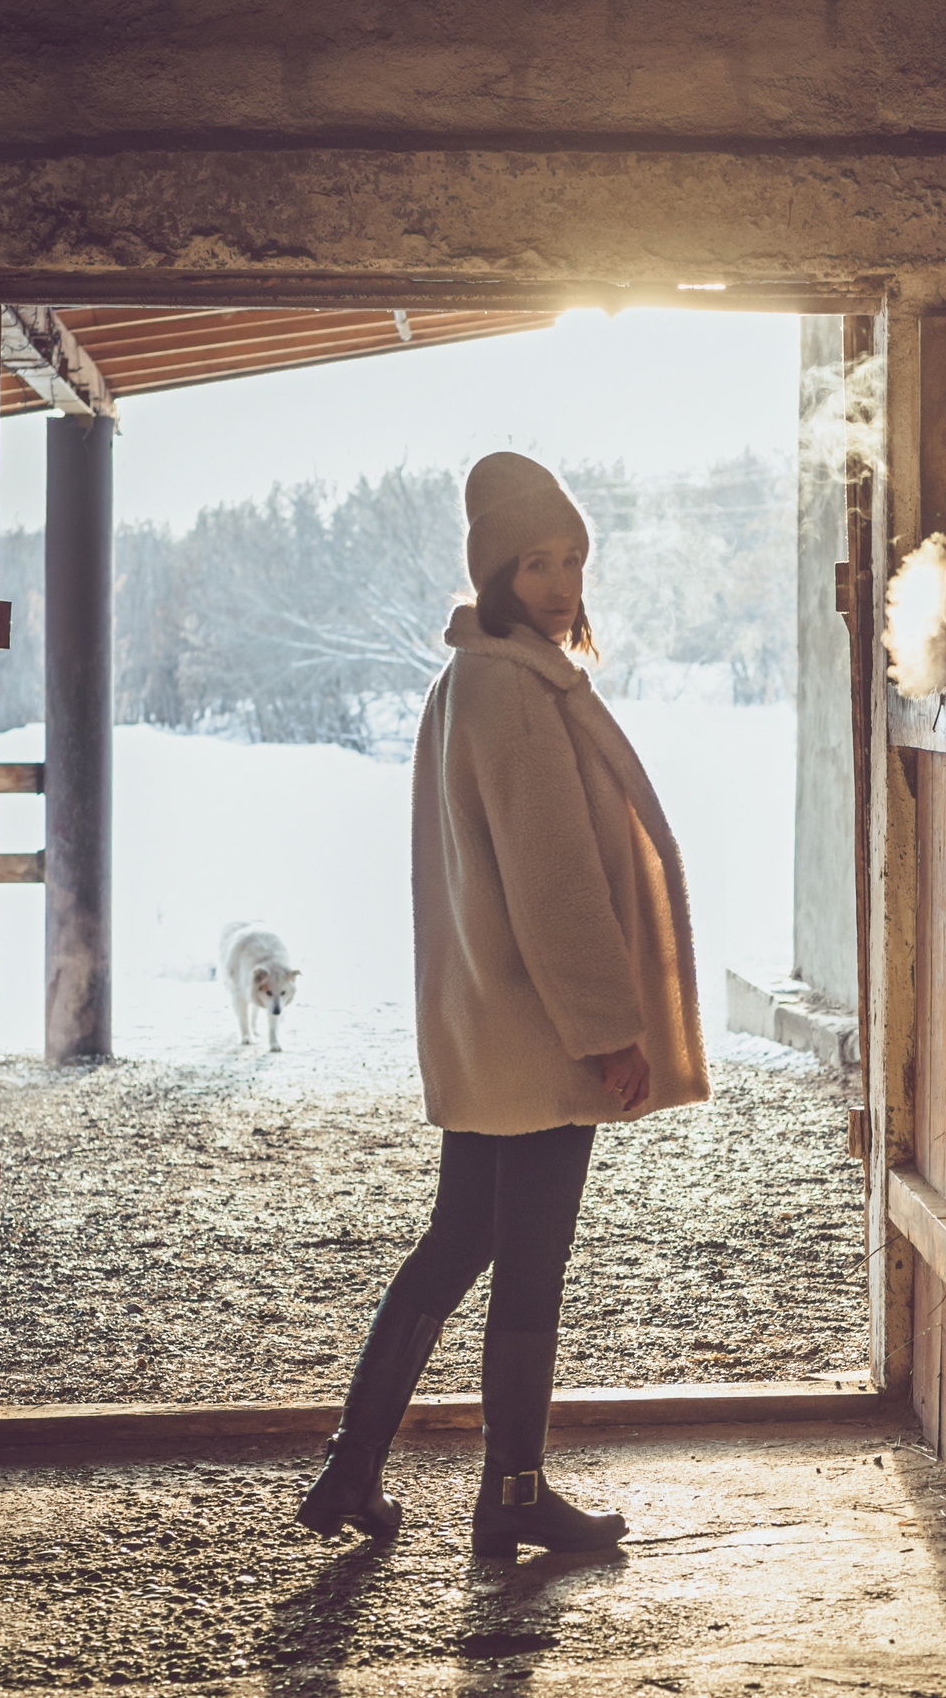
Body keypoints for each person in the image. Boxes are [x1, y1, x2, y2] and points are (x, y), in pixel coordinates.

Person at [296, 451, 709, 1555]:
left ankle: (352, 1468)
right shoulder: (514, 690)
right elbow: (554, 876)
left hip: (488, 1025)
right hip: (538, 1034)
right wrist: (608, 1030)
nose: (561, 581)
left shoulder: (469, 679)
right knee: (528, 1261)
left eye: (572, 559)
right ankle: (513, 1494)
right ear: (495, 572)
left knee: (455, 1242)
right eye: (536, 562)